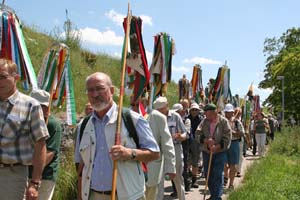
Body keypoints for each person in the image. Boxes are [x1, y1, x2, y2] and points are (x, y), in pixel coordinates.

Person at [75, 72, 159, 200]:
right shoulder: (84, 125)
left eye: (100, 88)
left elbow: (154, 153)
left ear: (112, 90)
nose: (95, 94)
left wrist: (130, 153)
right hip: (93, 195)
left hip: (128, 196)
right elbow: (81, 166)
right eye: (90, 90)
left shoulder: (132, 119)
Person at [0, 58, 49, 200]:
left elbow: (40, 145)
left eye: (2, 77)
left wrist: (35, 182)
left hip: (12, 176)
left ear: (16, 78)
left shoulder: (30, 106)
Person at [131, 98, 176, 200]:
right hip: (132, 167)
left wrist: (171, 167)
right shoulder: (126, 116)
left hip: (151, 167)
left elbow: (167, 143)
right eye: (132, 104)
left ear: (145, 102)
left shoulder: (157, 116)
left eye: (137, 104)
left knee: (150, 196)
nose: (134, 107)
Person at [30, 89, 62, 200]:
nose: (38, 108)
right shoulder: (27, 121)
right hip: (24, 173)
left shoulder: (53, 124)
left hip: (45, 176)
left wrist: (26, 163)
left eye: (42, 106)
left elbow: (49, 154)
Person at [154, 97, 187, 200]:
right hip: (160, 150)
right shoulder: (155, 117)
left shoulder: (175, 116)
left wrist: (181, 136)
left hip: (175, 147)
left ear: (166, 106)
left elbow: (185, 133)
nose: (159, 112)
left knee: (177, 177)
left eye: (161, 109)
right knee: (158, 178)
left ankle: (182, 198)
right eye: (158, 110)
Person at [197, 103, 232, 200]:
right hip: (207, 152)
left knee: (217, 173)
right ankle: (213, 194)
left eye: (208, 114)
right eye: (206, 114)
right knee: (208, 174)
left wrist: (217, 146)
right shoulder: (204, 122)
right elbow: (197, 134)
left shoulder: (223, 122)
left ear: (215, 112)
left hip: (219, 152)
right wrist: (206, 140)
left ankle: (217, 197)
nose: (206, 116)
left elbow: (227, 137)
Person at [223, 104, 244, 190]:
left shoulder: (237, 122)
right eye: (227, 112)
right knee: (223, 164)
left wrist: (232, 132)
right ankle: (225, 177)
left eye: (230, 112)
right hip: (223, 144)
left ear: (232, 112)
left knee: (233, 165)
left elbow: (242, 133)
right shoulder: (222, 121)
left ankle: (231, 184)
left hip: (234, 143)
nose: (228, 113)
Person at [172, 103, 192, 192]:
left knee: (183, 166)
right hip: (173, 145)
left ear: (182, 112)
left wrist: (179, 135)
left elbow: (186, 133)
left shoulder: (187, 120)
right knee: (172, 167)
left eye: (177, 112)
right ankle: (175, 189)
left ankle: (186, 185)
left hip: (184, 145)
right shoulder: (170, 120)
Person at [187, 102, 204, 188]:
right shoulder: (187, 119)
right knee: (187, 161)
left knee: (195, 161)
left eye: (196, 110)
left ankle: (194, 180)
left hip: (197, 143)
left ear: (198, 111)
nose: (194, 111)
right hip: (187, 142)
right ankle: (188, 178)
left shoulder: (201, 119)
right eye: (192, 110)